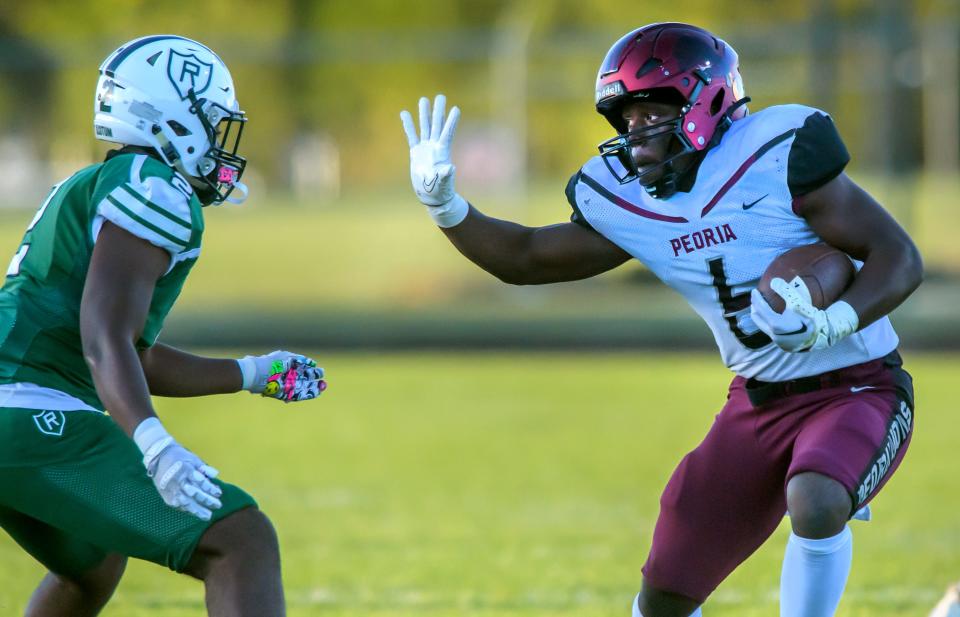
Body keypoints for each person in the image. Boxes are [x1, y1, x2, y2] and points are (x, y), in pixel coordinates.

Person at [400, 22, 921, 617]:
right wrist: (447, 207)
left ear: (708, 99)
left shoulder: (776, 154)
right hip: (757, 402)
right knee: (664, 596)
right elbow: (525, 258)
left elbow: (899, 257)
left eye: (651, 114)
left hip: (860, 385)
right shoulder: (632, 200)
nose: (636, 134)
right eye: (626, 120)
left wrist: (835, 323)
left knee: (817, 497)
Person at [0, 35, 325, 617]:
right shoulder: (154, 188)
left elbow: (128, 351)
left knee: (93, 562)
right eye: (214, 122)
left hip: (16, 412)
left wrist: (253, 373)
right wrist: (154, 444)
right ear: (172, 118)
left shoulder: (107, 180)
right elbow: (105, 337)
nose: (222, 143)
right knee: (240, 541)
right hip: (25, 410)